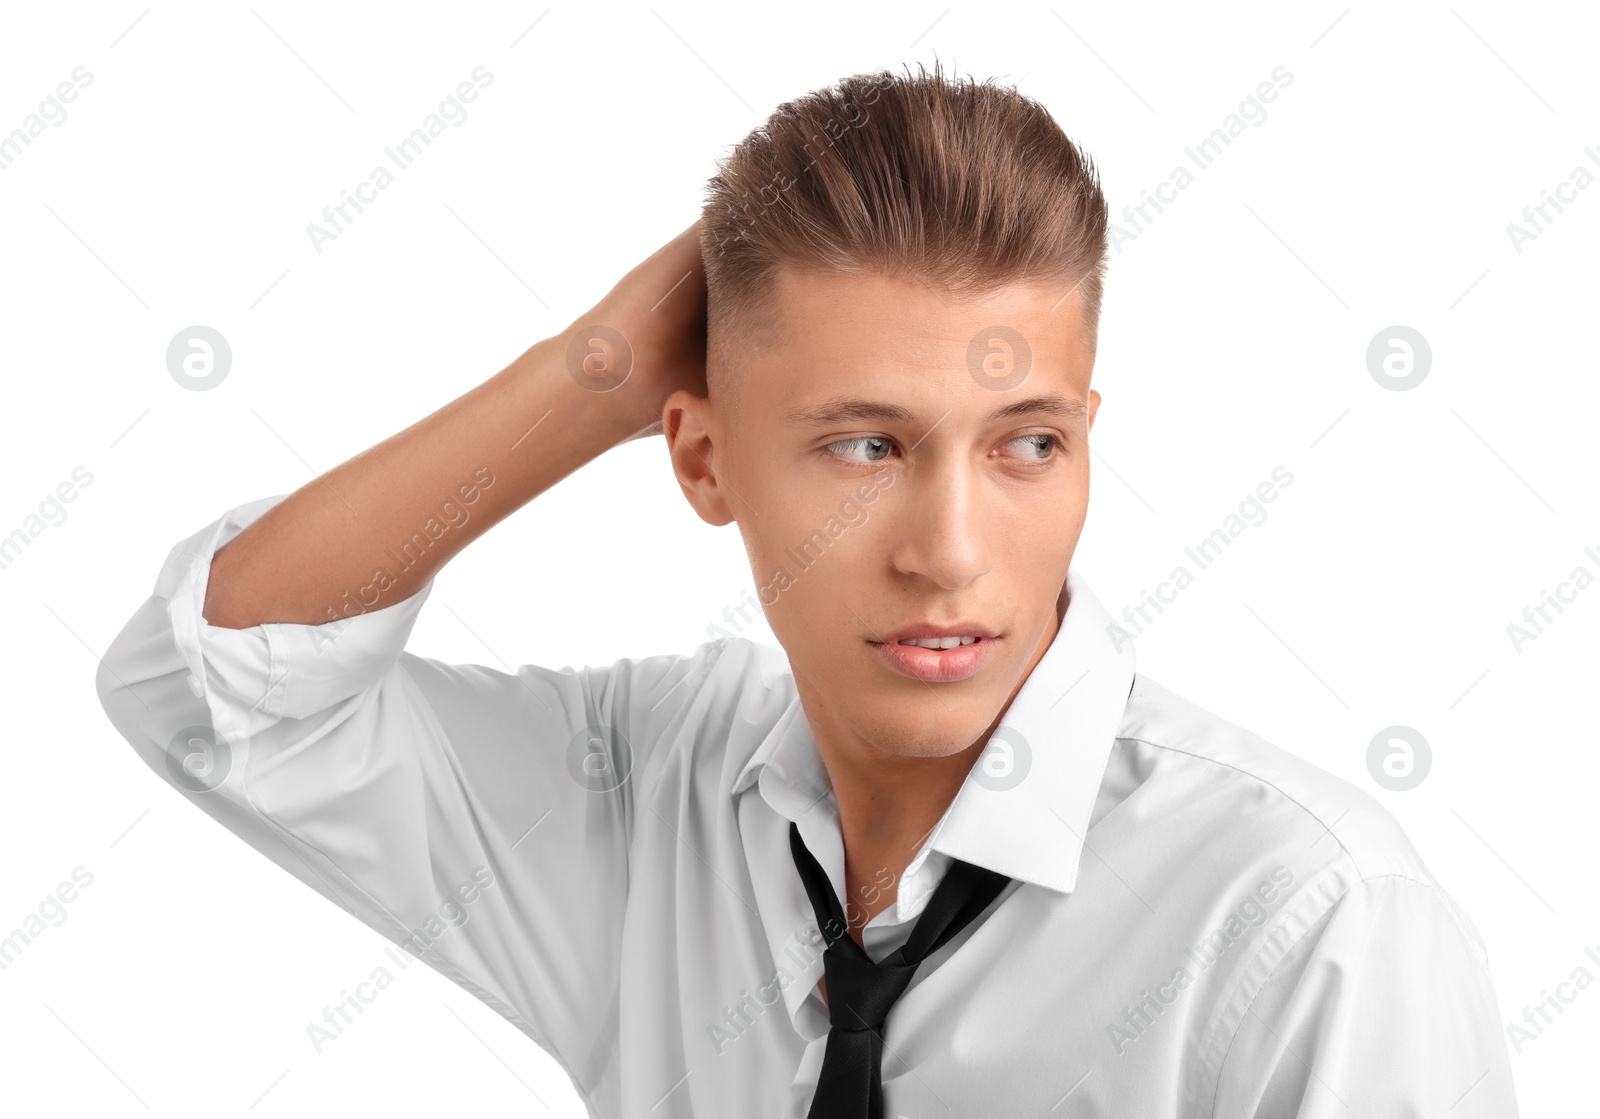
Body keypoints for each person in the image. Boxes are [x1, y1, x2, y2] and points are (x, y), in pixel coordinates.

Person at [95, 61, 1517, 1117]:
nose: (950, 549)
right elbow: (219, 691)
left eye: (1028, 444)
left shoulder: (1313, 924)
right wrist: (590, 372)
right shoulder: (644, 797)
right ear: (705, 462)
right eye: (864, 446)